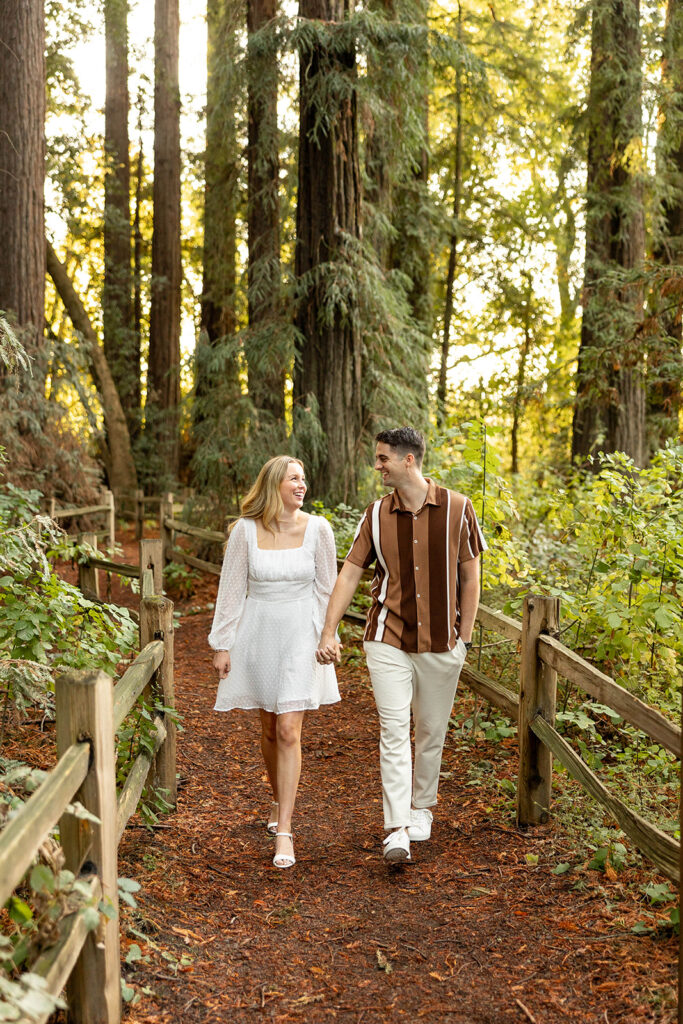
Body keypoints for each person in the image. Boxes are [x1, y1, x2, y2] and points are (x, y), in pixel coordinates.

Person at [316, 427, 486, 865]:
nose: (377, 466)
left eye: (383, 458)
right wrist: (328, 630)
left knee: (430, 731)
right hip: (386, 637)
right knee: (394, 731)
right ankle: (396, 828)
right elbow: (351, 572)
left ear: (408, 460)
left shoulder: (457, 508)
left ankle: (422, 808)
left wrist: (463, 639)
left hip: (441, 643)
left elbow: (470, 575)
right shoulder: (374, 515)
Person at [209, 455, 340, 869]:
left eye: (304, 478)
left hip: (302, 633)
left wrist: (328, 635)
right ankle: (277, 796)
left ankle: (284, 830)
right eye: (293, 479)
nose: (301, 485)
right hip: (258, 632)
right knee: (268, 726)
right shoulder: (244, 532)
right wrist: (222, 644)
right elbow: (231, 590)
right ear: (273, 486)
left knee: (288, 728)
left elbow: (327, 589)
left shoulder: (319, 529)